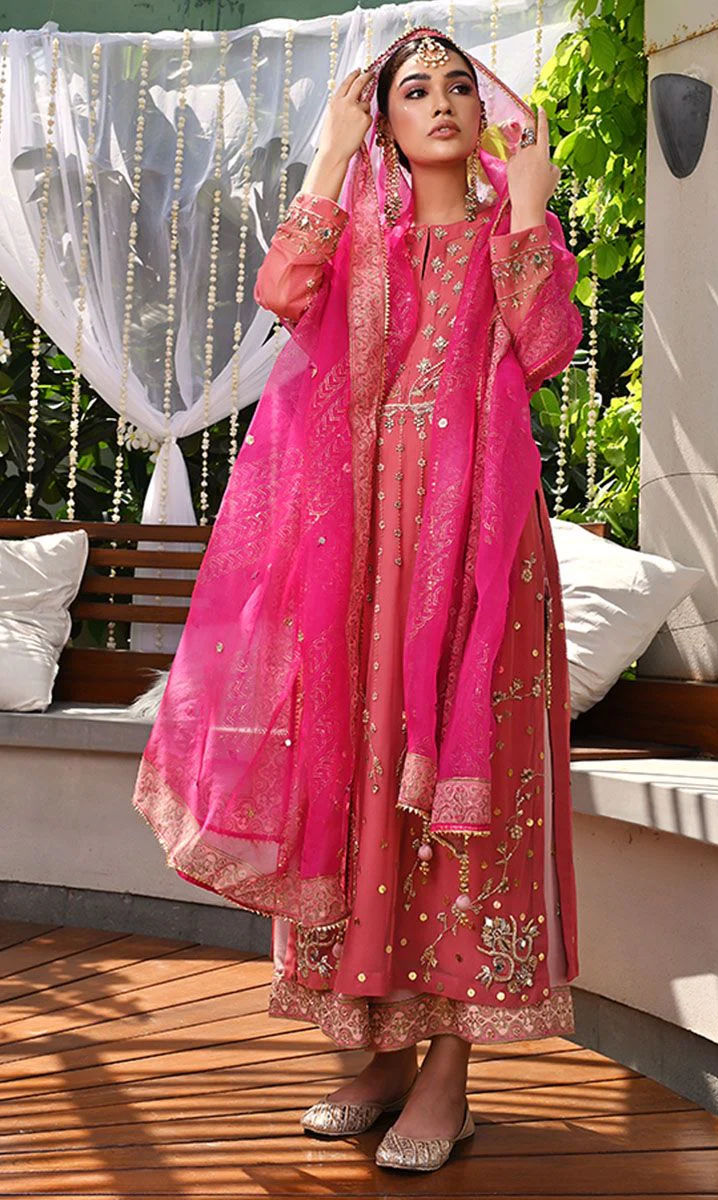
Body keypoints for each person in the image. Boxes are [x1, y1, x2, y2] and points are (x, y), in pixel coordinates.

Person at [131, 25, 583, 1174]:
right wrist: (329, 156)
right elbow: (283, 289)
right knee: (363, 784)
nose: (442, 103)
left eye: (458, 86)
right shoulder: (362, 238)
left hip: (477, 557)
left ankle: (447, 1074)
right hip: (360, 553)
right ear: (382, 119)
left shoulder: (509, 229)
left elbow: (541, 348)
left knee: (458, 800)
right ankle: (378, 1053)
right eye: (412, 90)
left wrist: (531, 207)